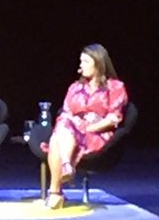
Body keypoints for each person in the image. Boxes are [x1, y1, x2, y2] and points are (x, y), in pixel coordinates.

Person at [42, 43, 129, 209]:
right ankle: (67, 166)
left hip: (97, 134)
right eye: (80, 61)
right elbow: (65, 112)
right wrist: (74, 124)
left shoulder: (115, 87)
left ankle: (55, 192)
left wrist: (86, 128)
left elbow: (113, 118)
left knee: (57, 139)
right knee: (62, 128)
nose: (80, 65)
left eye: (85, 61)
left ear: (98, 63)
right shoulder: (75, 87)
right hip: (69, 132)